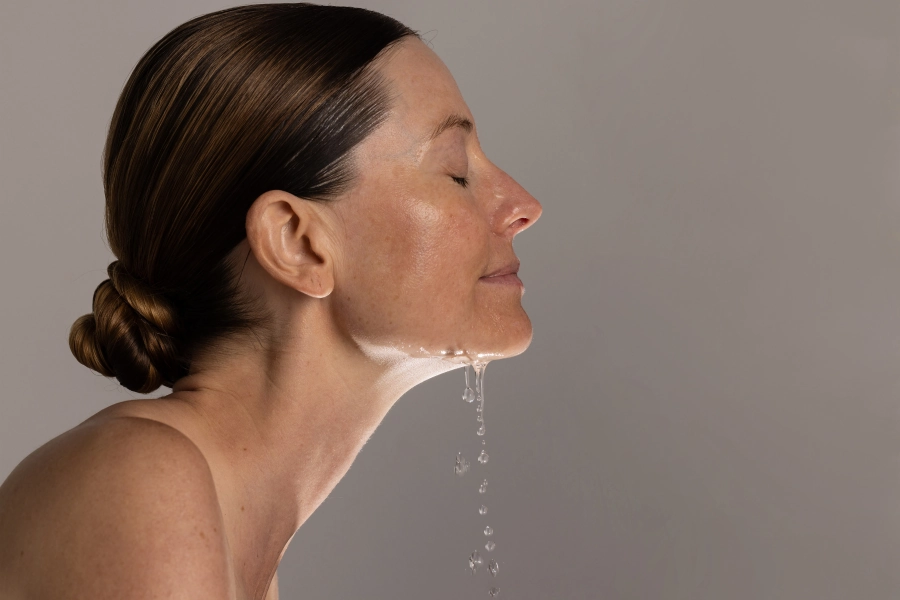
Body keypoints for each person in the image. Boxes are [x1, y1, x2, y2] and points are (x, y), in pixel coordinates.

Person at [0, 3, 542, 599]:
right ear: (298, 243)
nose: (523, 205)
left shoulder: (236, 543)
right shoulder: (143, 483)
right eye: (456, 173)